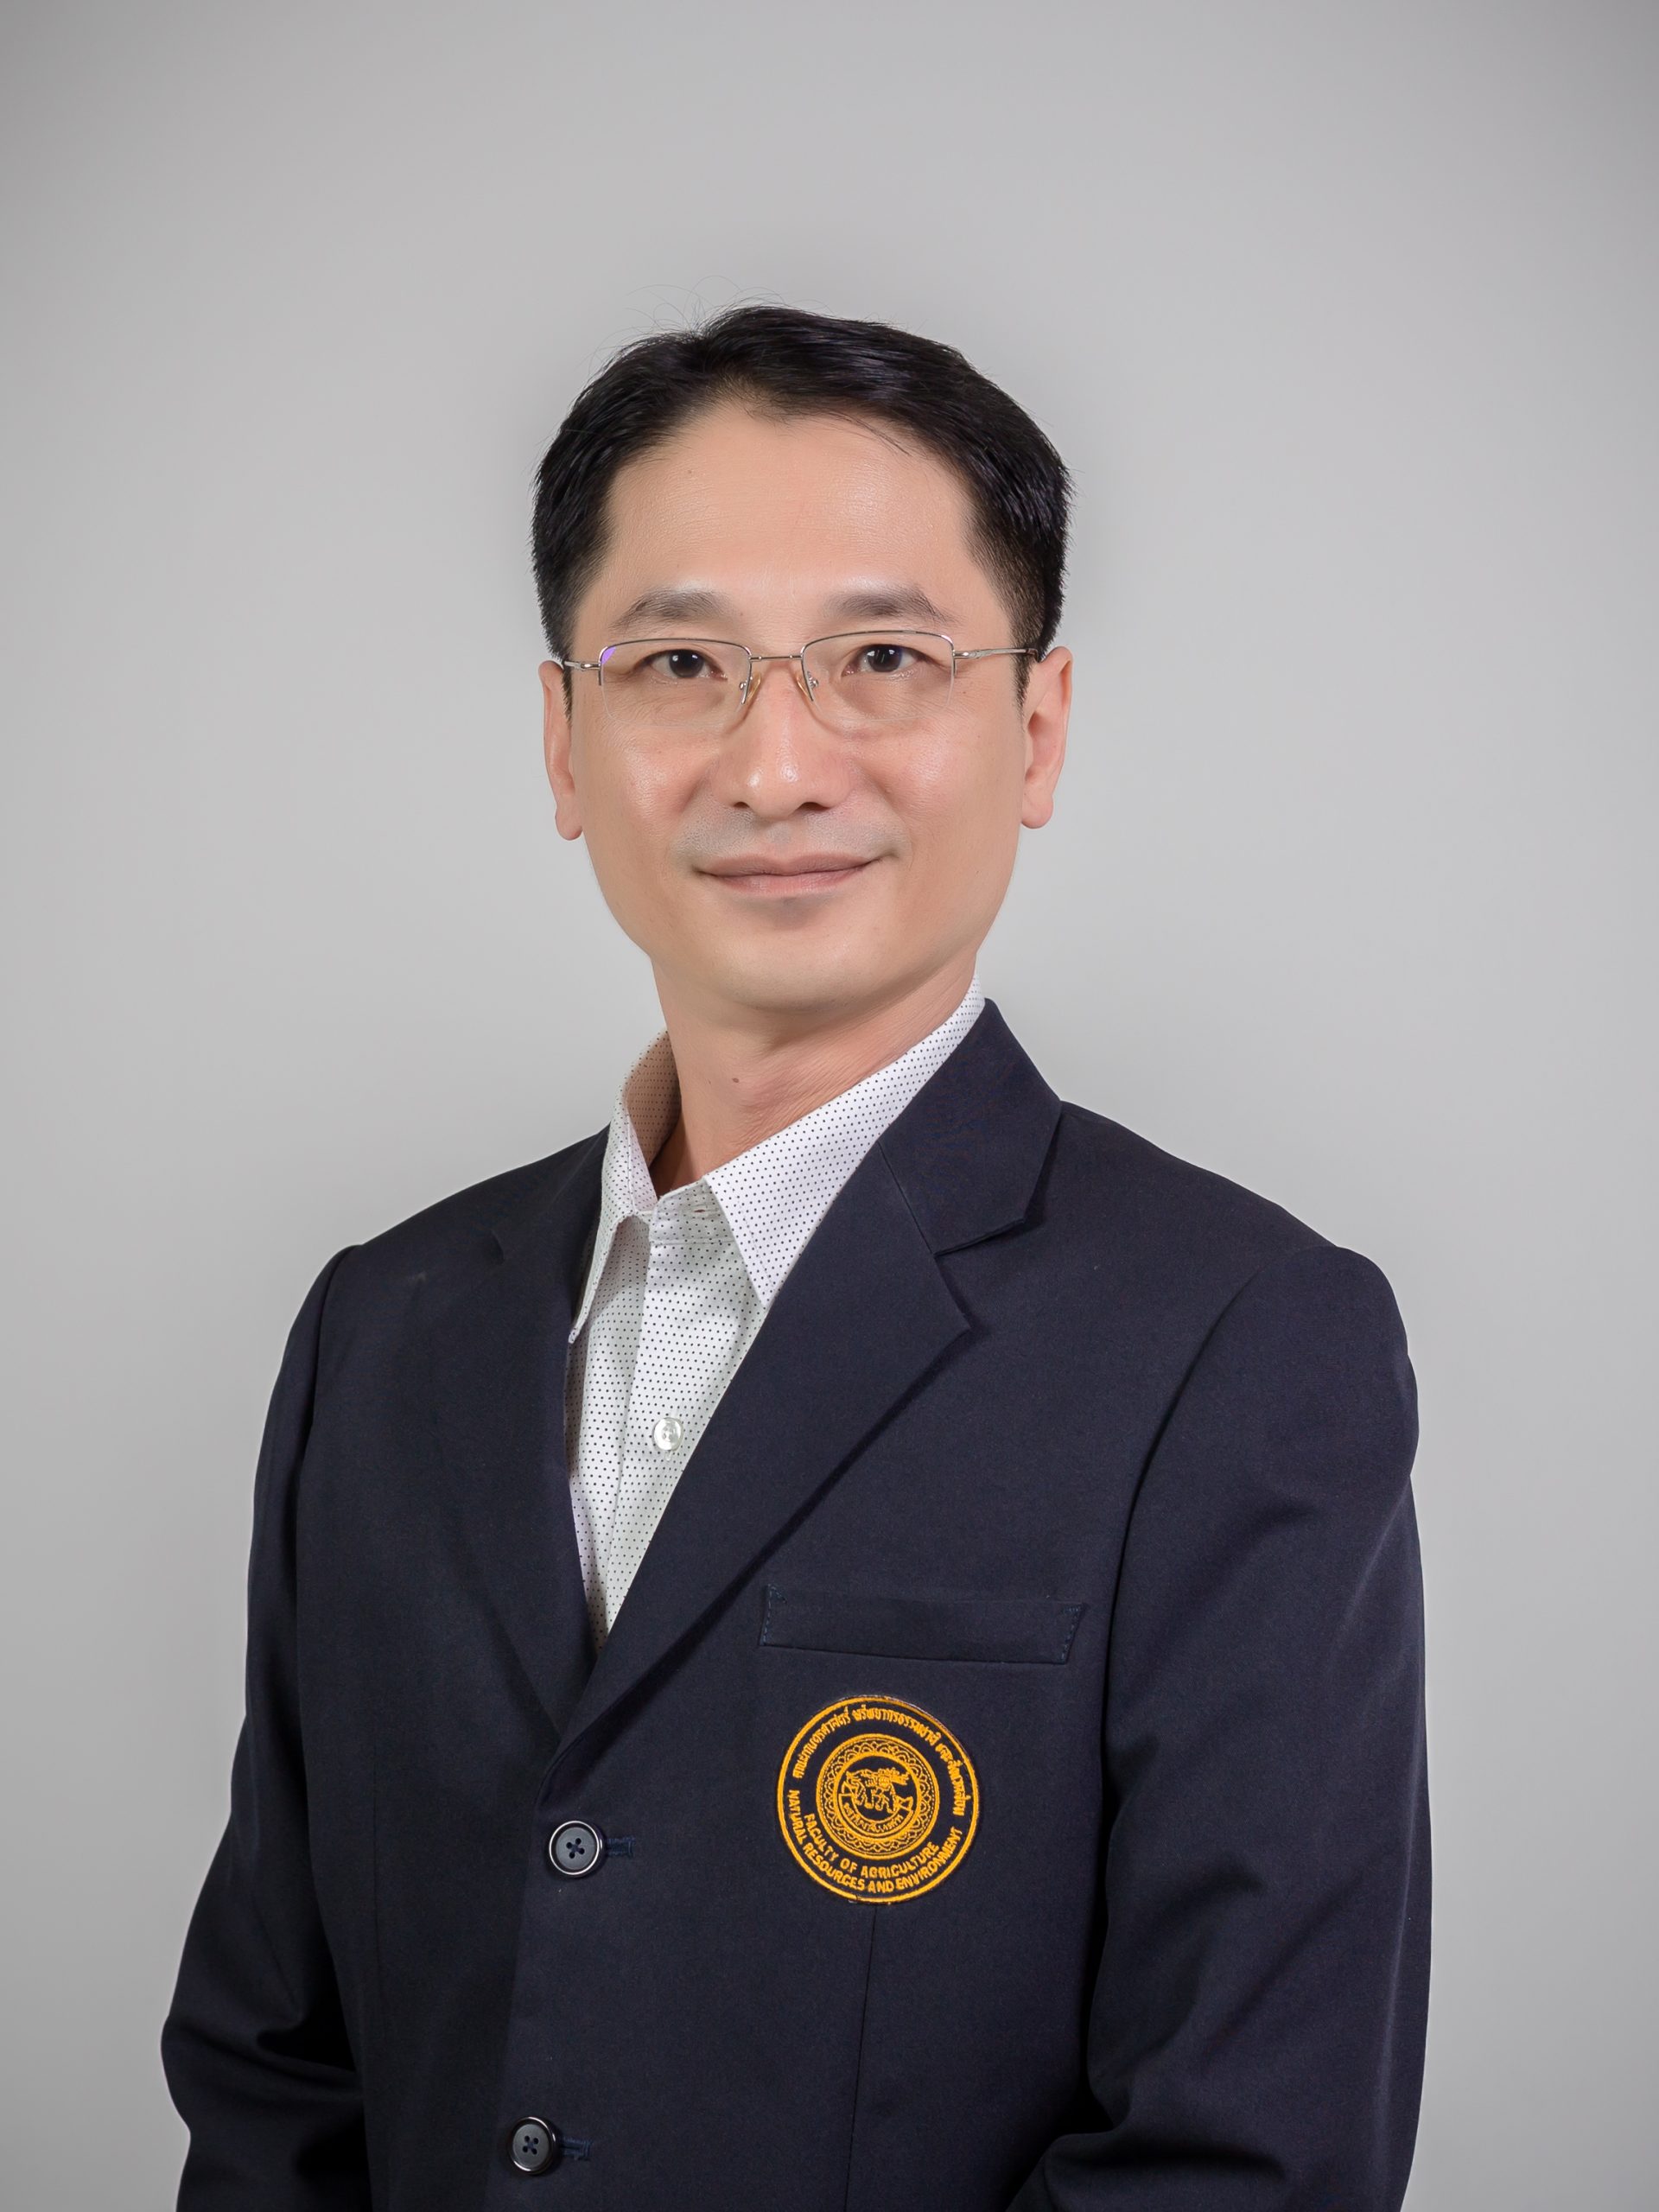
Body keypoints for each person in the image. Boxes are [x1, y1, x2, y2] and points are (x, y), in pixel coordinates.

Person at [162, 305, 1429, 2211]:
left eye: (883, 660)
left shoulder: (1239, 1342)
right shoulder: (384, 1328)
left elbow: (1248, 2160)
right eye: (679, 662)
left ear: (1037, 731)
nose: (775, 765)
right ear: (565, 740)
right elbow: (276, 2077)